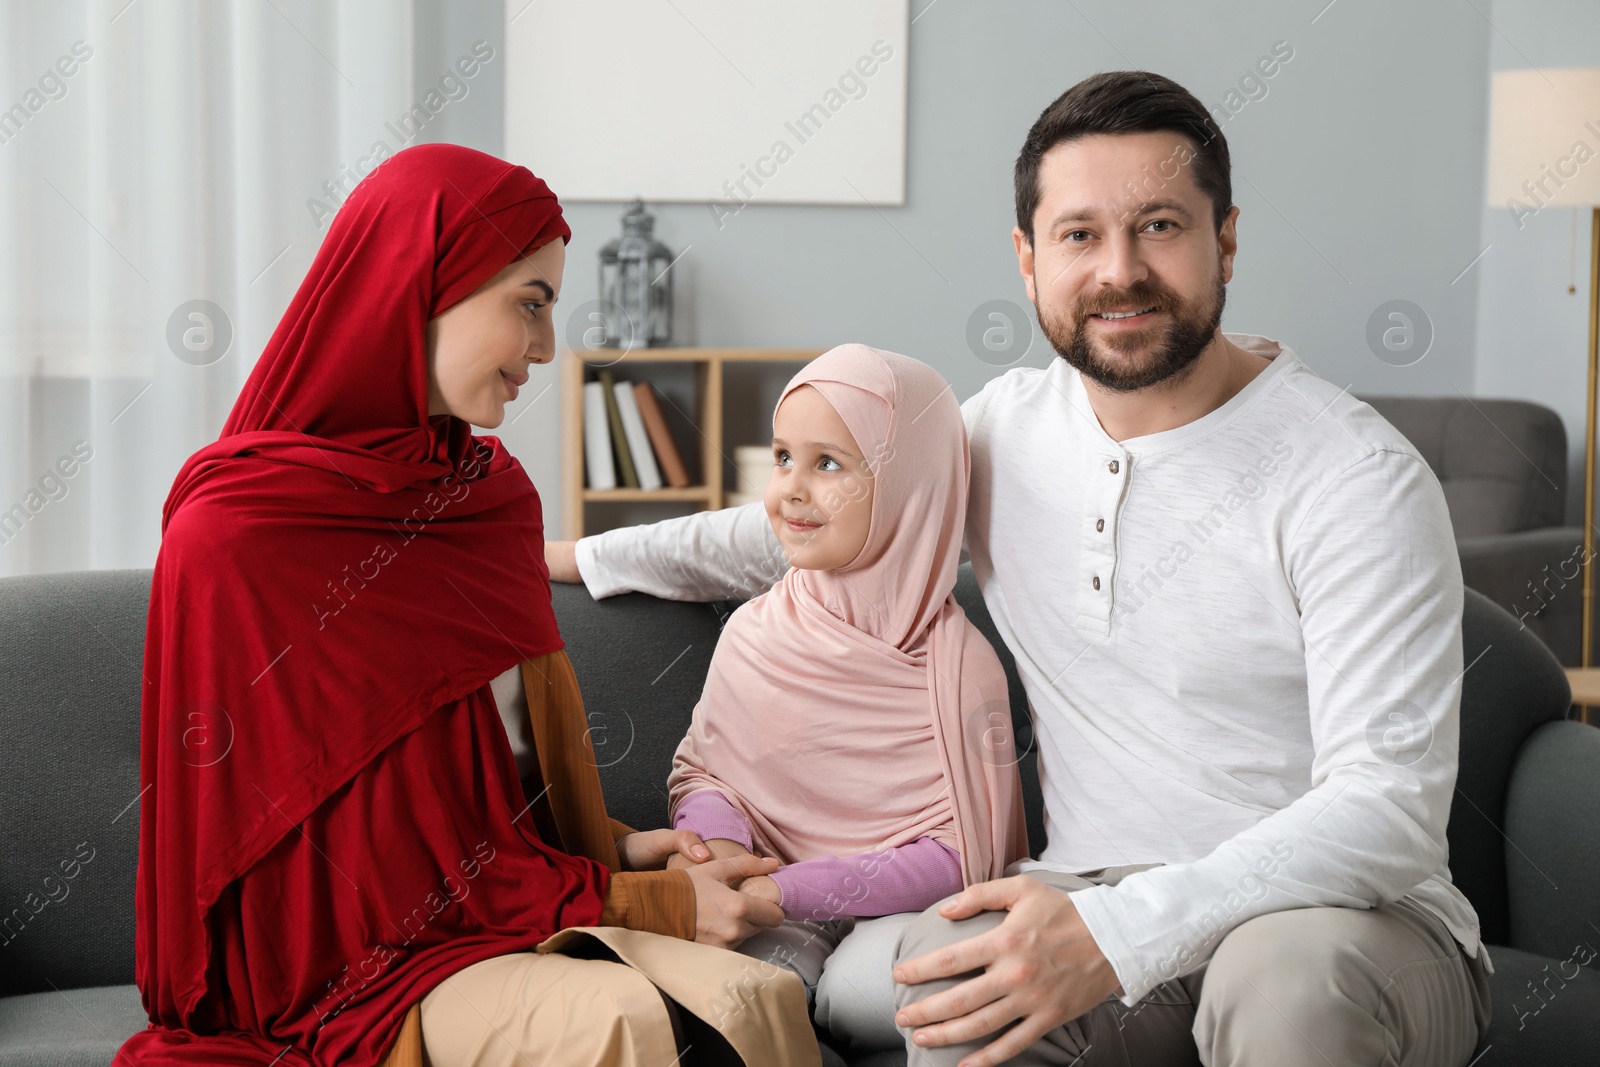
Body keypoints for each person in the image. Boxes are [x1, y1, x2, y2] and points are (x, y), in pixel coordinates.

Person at [547, 71, 1494, 1066]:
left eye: (1160, 226)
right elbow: (823, 517)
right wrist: (567, 557)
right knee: (963, 984)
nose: (1118, 270)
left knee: (1285, 982)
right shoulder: (1004, 429)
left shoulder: (1351, 474)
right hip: (1090, 887)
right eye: (1080, 234)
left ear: (1224, 241)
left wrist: (1118, 932)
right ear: (1028, 260)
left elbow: (1384, 807)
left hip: (1349, 919)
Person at [117, 143, 818, 1067]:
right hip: (359, 973)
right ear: (419, 284)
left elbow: (484, 795)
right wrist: (640, 902)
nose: (545, 348)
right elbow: (341, 880)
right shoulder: (237, 537)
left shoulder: (489, 503)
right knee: (628, 1026)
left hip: (513, 914)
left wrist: (626, 849)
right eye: (529, 303)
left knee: (761, 995)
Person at [663, 345, 1029, 1043]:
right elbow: (707, 774)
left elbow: (962, 856)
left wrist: (789, 888)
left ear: (907, 484)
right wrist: (720, 856)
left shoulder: (960, 670)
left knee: (897, 984)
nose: (791, 488)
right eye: (781, 457)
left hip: (897, 920)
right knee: (736, 983)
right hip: (760, 910)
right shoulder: (755, 633)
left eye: (828, 463)